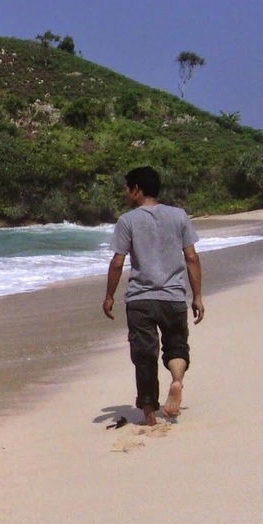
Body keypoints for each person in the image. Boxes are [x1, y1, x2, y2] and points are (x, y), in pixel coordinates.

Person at [102, 166, 204, 426]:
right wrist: (198, 297)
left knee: (144, 356)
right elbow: (191, 257)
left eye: (127, 188)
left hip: (140, 299)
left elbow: (117, 262)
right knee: (176, 347)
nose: (125, 193)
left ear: (137, 189)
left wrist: (109, 296)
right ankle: (177, 381)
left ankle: (149, 416)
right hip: (173, 297)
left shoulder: (128, 221)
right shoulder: (179, 216)